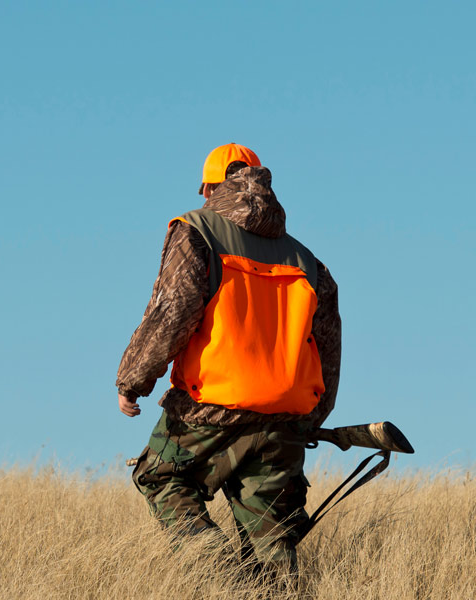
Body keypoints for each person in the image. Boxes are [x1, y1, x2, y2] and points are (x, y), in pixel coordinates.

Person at [115, 143, 342, 580]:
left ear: (210, 187)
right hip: (283, 415)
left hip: (210, 405)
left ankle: (220, 576)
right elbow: (328, 344)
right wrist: (314, 415)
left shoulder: (197, 230)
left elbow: (173, 310)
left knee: (159, 478)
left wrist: (133, 379)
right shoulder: (309, 262)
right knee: (272, 536)